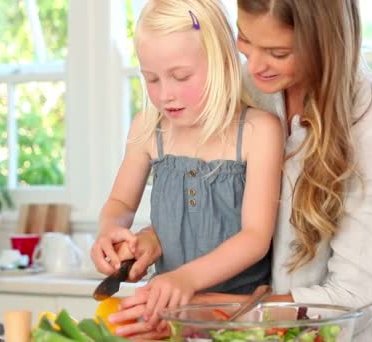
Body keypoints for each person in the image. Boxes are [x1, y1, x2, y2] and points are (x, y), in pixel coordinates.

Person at [108, 0, 372, 341]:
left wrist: (201, 311)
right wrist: (156, 237)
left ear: (324, 41)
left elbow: (352, 298)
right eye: (245, 39)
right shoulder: (247, 84)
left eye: (278, 52)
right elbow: (223, 204)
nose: (253, 65)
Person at [90, 0, 283, 331]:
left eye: (180, 76)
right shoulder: (148, 129)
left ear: (222, 63)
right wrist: (111, 231)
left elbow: (255, 237)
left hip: (242, 322)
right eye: (151, 79)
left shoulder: (258, 131)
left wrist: (185, 279)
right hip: (169, 321)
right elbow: (121, 203)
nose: (165, 94)